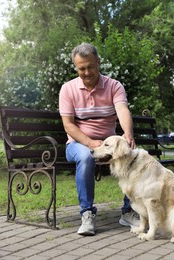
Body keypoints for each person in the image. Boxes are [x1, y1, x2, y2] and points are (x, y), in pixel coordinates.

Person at [59, 43, 139, 236]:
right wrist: (90, 143)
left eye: (90, 67)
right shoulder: (68, 89)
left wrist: (127, 134)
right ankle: (87, 214)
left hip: (107, 145)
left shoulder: (114, 86)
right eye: (81, 68)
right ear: (76, 67)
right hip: (77, 144)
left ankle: (129, 211)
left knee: (129, 155)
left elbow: (122, 110)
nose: (86, 72)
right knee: (86, 157)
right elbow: (68, 125)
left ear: (98, 63)